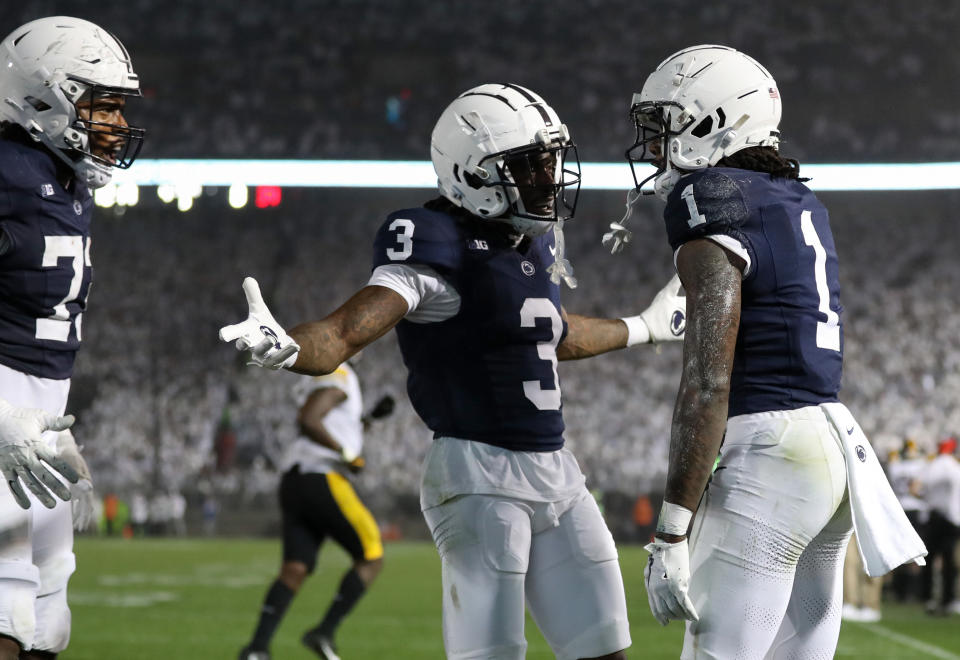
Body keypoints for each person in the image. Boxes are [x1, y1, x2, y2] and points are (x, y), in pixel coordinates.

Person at [220, 83, 686, 660]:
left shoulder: (530, 244)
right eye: (530, 165)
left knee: (606, 651)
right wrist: (291, 346)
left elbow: (553, 332)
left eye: (550, 161)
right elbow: (345, 331)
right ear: (473, 173)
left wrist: (646, 326)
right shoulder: (435, 244)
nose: (549, 178)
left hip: (558, 472)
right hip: (478, 475)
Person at [613, 45, 925, 658]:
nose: (655, 147)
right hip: (830, 449)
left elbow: (708, 381)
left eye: (667, 125)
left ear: (712, 121)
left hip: (770, 453)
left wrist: (671, 532)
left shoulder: (711, 193)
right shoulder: (793, 196)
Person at [0, 16, 143, 659]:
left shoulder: (68, 180)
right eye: (101, 106)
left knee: (48, 614)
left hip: (43, 406)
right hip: (5, 399)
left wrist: (50, 417)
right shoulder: (6, 169)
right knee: (4, 602)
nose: (113, 125)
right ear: (40, 96)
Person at [239, 362, 386, 660]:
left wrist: (367, 420)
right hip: (322, 476)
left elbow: (331, 423)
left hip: (294, 478)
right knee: (371, 554)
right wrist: (346, 454)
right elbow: (309, 419)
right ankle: (324, 632)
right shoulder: (340, 372)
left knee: (296, 567)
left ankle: (257, 649)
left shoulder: (330, 374)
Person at [918, 437, 960, 615]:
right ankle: (948, 599)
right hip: (951, 519)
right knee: (949, 562)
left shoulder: (932, 465)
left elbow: (919, 488)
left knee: (930, 559)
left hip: (933, 517)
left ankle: (928, 597)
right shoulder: (953, 466)